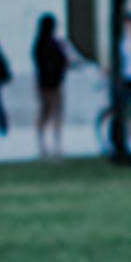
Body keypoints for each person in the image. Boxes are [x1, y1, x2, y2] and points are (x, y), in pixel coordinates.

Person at [32, 12, 76, 158]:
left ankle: (43, 144)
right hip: (53, 83)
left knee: (45, 113)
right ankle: (56, 144)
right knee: (55, 113)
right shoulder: (54, 44)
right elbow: (65, 61)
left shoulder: (39, 44)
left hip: (44, 83)